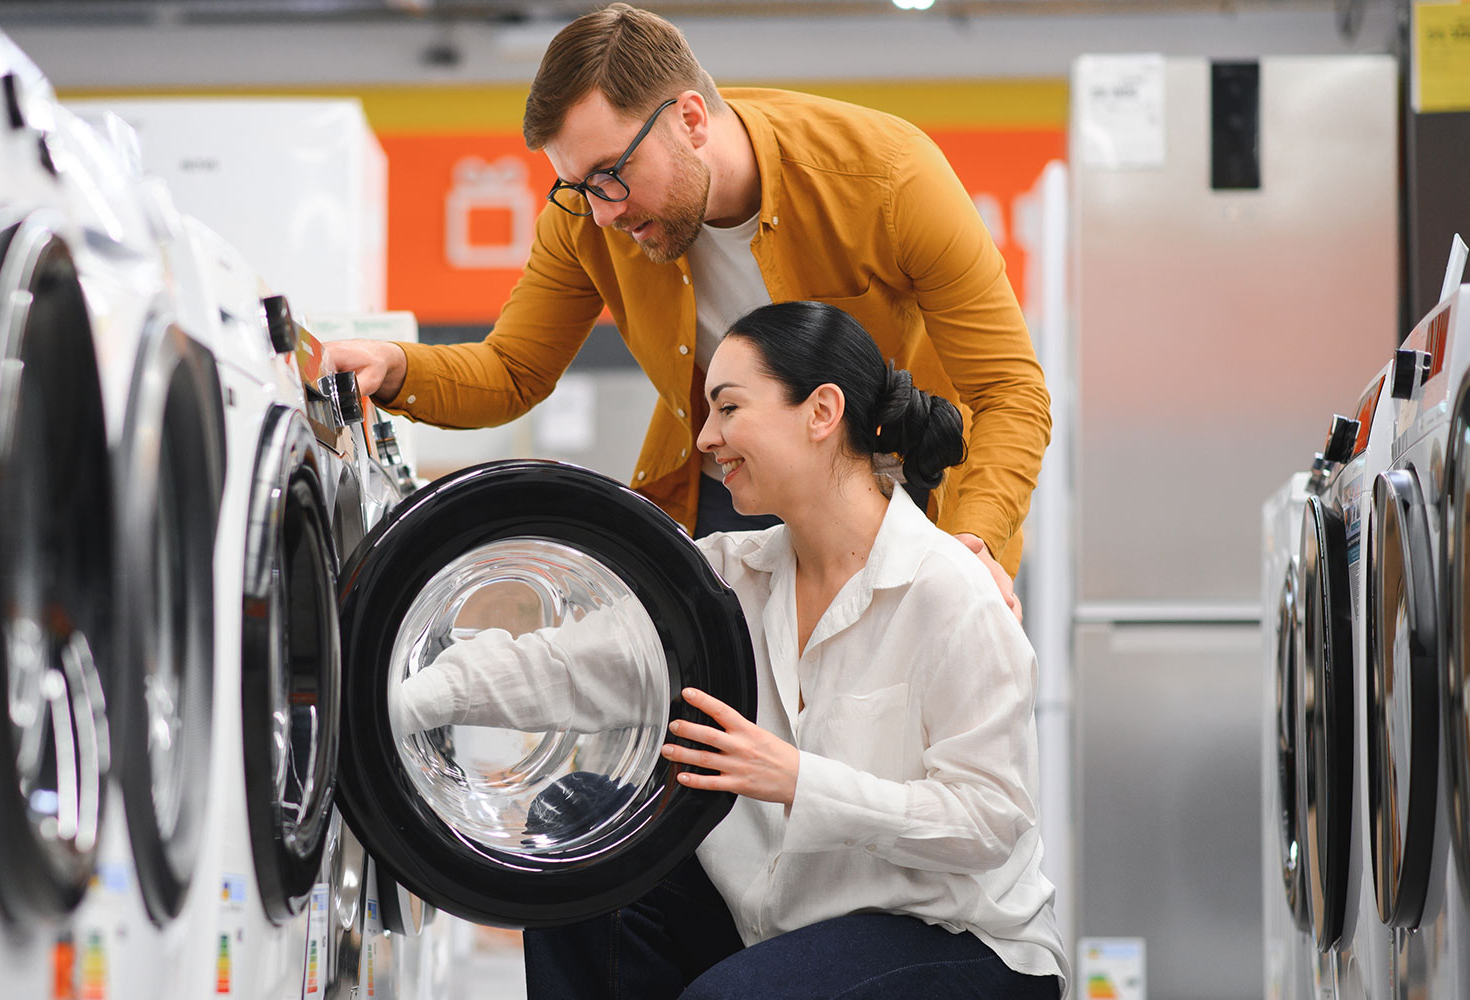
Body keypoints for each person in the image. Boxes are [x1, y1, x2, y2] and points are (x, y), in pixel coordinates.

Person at [392, 301, 1065, 999]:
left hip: (957, 940)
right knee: (574, 822)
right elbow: (561, 665)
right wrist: (388, 700)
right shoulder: (727, 578)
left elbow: (988, 821)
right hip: (780, 927)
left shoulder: (948, 592)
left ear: (821, 412)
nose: (707, 437)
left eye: (728, 407)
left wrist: (799, 779)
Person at [324, 3, 1049, 617]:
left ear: (692, 119)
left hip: (892, 493)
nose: (602, 213)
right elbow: (512, 371)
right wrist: (392, 369)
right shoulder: (584, 220)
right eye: (577, 185)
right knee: (715, 736)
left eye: (612, 174)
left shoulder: (887, 178)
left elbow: (1009, 391)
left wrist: (972, 547)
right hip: (731, 491)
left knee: (884, 745)